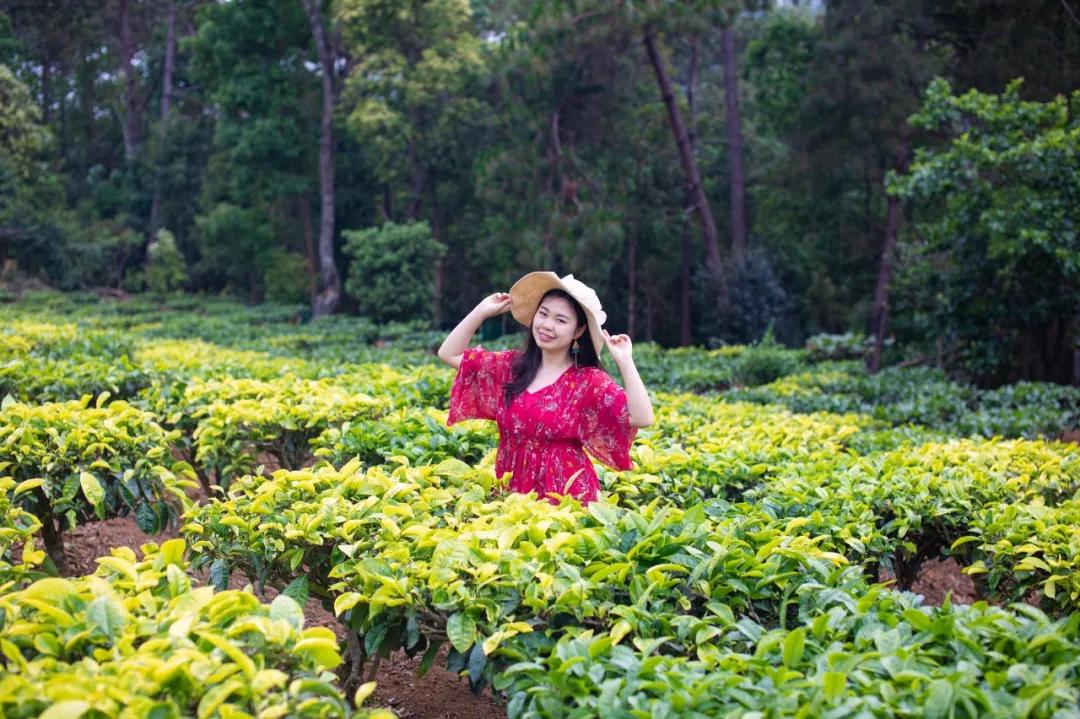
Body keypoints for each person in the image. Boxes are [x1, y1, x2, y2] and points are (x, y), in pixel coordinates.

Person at [437, 271, 653, 503]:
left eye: (560, 320)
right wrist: (480, 312)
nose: (547, 325)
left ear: (578, 331)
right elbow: (449, 353)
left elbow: (642, 417)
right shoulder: (511, 368)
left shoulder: (587, 382)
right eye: (543, 314)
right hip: (511, 493)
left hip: (567, 499)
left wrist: (625, 361)